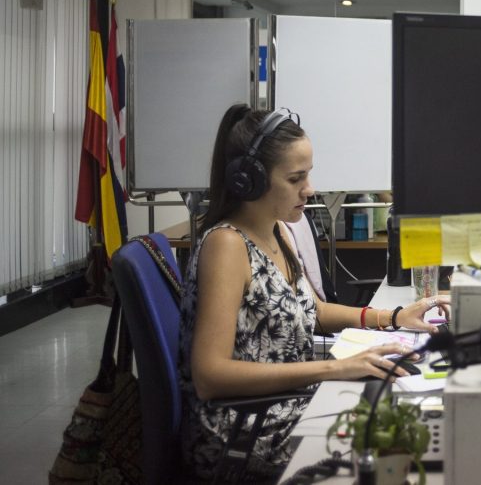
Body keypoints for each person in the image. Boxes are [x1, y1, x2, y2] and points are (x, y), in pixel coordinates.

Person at [179, 104, 450, 480]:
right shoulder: (226, 247)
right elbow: (210, 375)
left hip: (283, 405)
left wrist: (392, 317)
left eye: (308, 175)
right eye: (295, 179)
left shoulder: (277, 230)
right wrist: (337, 369)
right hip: (245, 429)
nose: (310, 189)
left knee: (411, 426)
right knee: (405, 453)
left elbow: (313, 310)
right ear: (249, 181)